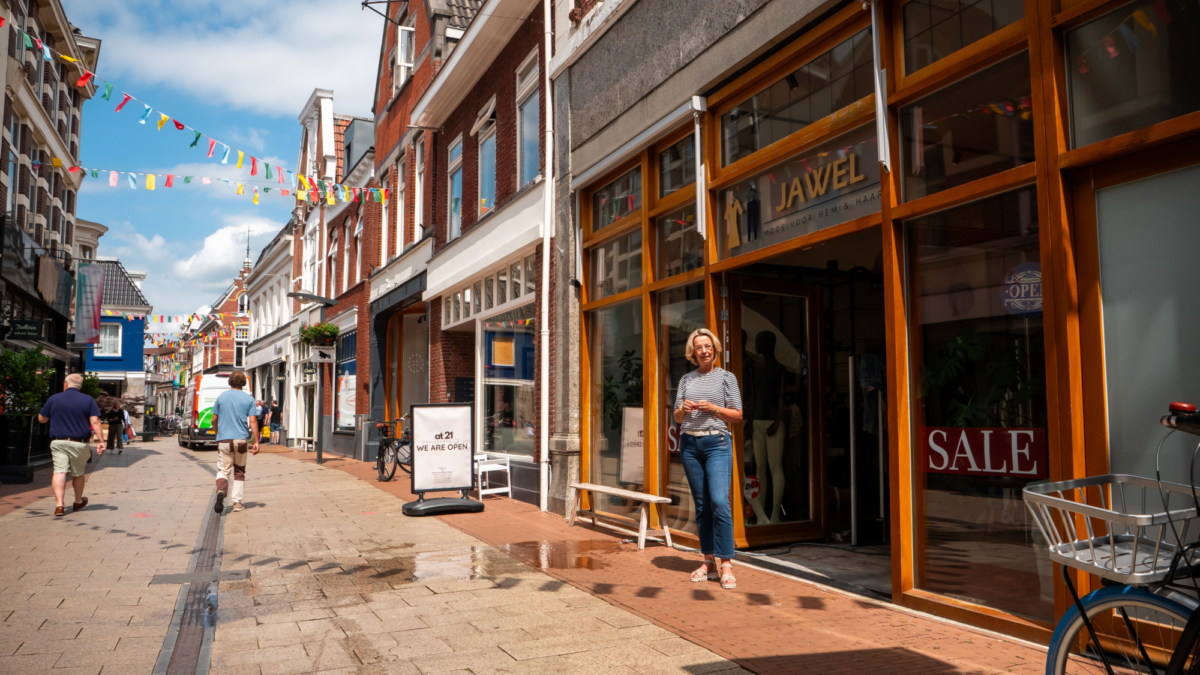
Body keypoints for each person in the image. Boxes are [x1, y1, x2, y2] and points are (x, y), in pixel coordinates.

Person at [674, 328, 743, 590]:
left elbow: (737, 415)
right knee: (702, 505)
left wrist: (713, 408)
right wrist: (683, 408)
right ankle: (708, 561)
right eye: (699, 347)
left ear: (714, 350)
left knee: (719, 502)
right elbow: (677, 418)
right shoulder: (686, 379)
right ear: (693, 352)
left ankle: (726, 562)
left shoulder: (727, 378)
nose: (704, 351)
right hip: (690, 444)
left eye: (708, 347)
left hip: (717, 443)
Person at [38, 374, 107, 517]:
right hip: (79, 443)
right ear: (80, 386)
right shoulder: (88, 400)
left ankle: (59, 505)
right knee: (78, 473)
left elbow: (42, 419)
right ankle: (77, 501)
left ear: (65, 384)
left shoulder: (54, 399)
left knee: (59, 471)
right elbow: (95, 422)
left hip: (59, 442)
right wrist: (101, 441)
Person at [211, 372, 259, 514]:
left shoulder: (221, 397)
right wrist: (256, 441)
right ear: (243, 383)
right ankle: (237, 503)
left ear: (230, 382)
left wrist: (217, 433)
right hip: (241, 440)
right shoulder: (249, 399)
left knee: (223, 470)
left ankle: (221, 491)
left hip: (224, 439)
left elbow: (214, 419)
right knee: (239, 471)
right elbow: (253, 421)